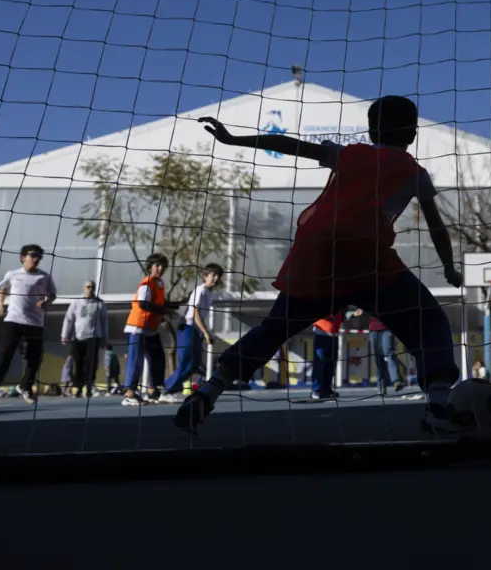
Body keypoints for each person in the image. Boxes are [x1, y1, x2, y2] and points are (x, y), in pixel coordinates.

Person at [175, 96, 465, 435]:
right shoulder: (415, 172)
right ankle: (440, 406)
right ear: (413, 133)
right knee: (429, 323)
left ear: (371, 131)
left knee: (273, 330)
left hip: (315, 252)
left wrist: (233, 139)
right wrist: (449, 267)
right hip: (366, 259)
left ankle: (210, 390)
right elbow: (436, 225)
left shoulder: (350, 154)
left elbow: (291, 145)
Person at [0, 244, 58, 407]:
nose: (36, 259)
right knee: (5, 356)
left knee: (35, 357)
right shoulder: (13, 274)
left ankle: (25, 386)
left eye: (39, 256)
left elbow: (52, 294)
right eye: (33, 255)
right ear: (23, 257)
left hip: (35, 322)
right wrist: (0, 306)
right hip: (14, 320)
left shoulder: (44, 277)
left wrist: (47, 302)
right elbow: (3, 289)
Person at [123, 254, 175, 406]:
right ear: (150, 267)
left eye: (162, 266)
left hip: (150, 328)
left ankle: (154, 392)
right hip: (137, 327)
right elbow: (144, 304)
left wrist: (177, 304)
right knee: (136, 361)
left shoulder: (160, 284)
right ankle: (130, 394)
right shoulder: (147, 283)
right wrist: (164, 310)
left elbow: (159, 303)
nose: (160, 268)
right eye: (156, 265)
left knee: (158, 357)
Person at [164, 264, 220, 397]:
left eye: (218, 276)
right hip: (187, 328)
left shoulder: (209, 293)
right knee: (185, 362)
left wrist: (204, 333)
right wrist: (206, 333)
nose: (216, 278)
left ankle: (169, 387)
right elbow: (196, 314)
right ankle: (166, 389)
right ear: (205, 276)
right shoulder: (200, 290)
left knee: (194, 365)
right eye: (213, 275)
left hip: (195, 330)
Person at [61, 280, 108, 397]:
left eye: (92, 287)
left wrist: (104, 338)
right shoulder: (76, 302)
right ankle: (78, 387)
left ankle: (89, 386)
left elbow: (104, 322)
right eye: (88, 287)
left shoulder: (99, 303)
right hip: (78, 337)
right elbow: (69, 319)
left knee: (91, 363)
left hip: (93, 338)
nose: (90, 289)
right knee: (78, 364)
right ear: (84, 288)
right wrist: (64, 334)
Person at [368, 315, 404, 394]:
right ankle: (381, 386)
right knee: (377, 359)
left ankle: (396, 380)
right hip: (373, 330)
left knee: (389, 353)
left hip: (387, 329)